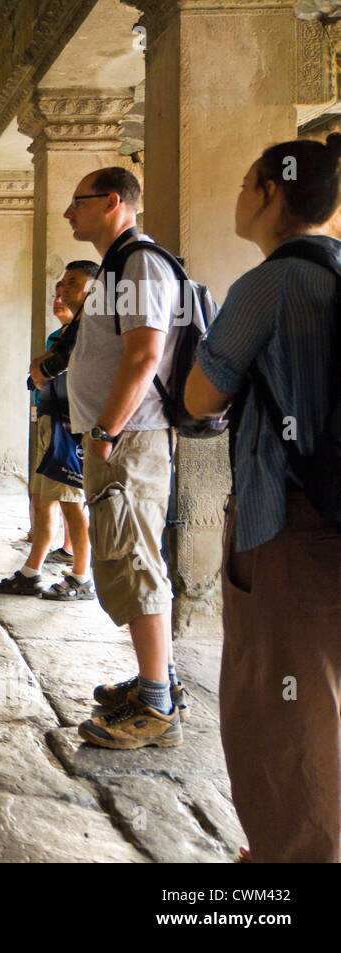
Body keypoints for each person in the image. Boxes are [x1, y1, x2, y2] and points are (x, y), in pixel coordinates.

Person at [185, 134, 341, 861]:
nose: (239, 192)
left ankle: (296, 853)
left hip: (287, 522)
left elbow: (199, 395)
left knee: (283, 695)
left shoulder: (268, 286)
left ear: (272, 193)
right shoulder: (337, 272)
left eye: (247, 180)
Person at [64, 167, 187, 749]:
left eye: (78, 203)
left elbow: (144, 356)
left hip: (129, 440)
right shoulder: (119, 266)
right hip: (119, 439)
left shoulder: (138, 263)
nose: (69, 214)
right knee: (122, 553)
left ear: (113, 202)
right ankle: (150, 682)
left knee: (135, 558)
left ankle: (158, 704)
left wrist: (106, 430)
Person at [0, 262, 95, 599]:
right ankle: (31, 571)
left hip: (70, 425)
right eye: (60, 284)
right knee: (46, 499)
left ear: (93, 291)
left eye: (73, 283)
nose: (62, 291)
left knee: (70, 503)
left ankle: (81, 576)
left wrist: (43, 367)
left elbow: (45, 370)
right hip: (51, 420)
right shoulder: (64, 335)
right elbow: (37, 374)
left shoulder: (92, 331)